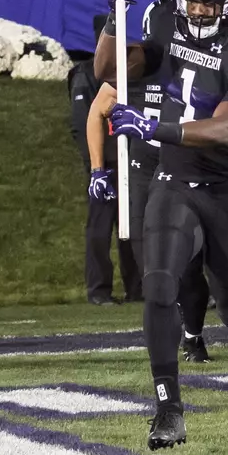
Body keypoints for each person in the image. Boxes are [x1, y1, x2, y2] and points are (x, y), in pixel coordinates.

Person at [96, 0, 228, 449]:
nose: (198, 10)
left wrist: (152, 126)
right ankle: (168, 408)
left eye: (210, 2)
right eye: (192, 0)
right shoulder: (164, 17)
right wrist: (114, 20)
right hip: (174, 181)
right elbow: (111, 72)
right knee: (159, 288)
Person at [73, 50, 140, 305]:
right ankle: (99, 290)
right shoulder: (87, 73)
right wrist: (95, 167)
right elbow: (82, 122)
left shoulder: (133, 70)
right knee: (99, 229)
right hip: (106, 164)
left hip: (131, 160)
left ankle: (138, 286)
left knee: (134, 225)